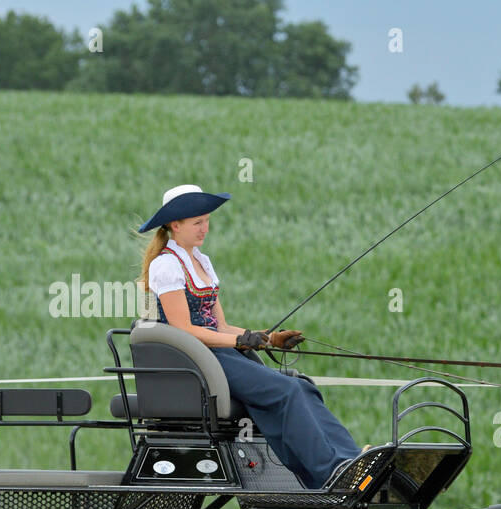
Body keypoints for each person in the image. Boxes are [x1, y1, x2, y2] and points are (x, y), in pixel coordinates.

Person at [137, 185, 363, 488]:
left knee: (301, 387)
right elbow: (185, 329)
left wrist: (267, 338)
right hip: (198, 359)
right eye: (197, 223)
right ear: (175, 225)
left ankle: (350, 462)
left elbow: (220, 324)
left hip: (218, 351)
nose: (205, 228)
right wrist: (240, 341)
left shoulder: (201, 261)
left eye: (206, 220)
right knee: (286, 391)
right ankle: (329, 472)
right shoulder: (166, 265)